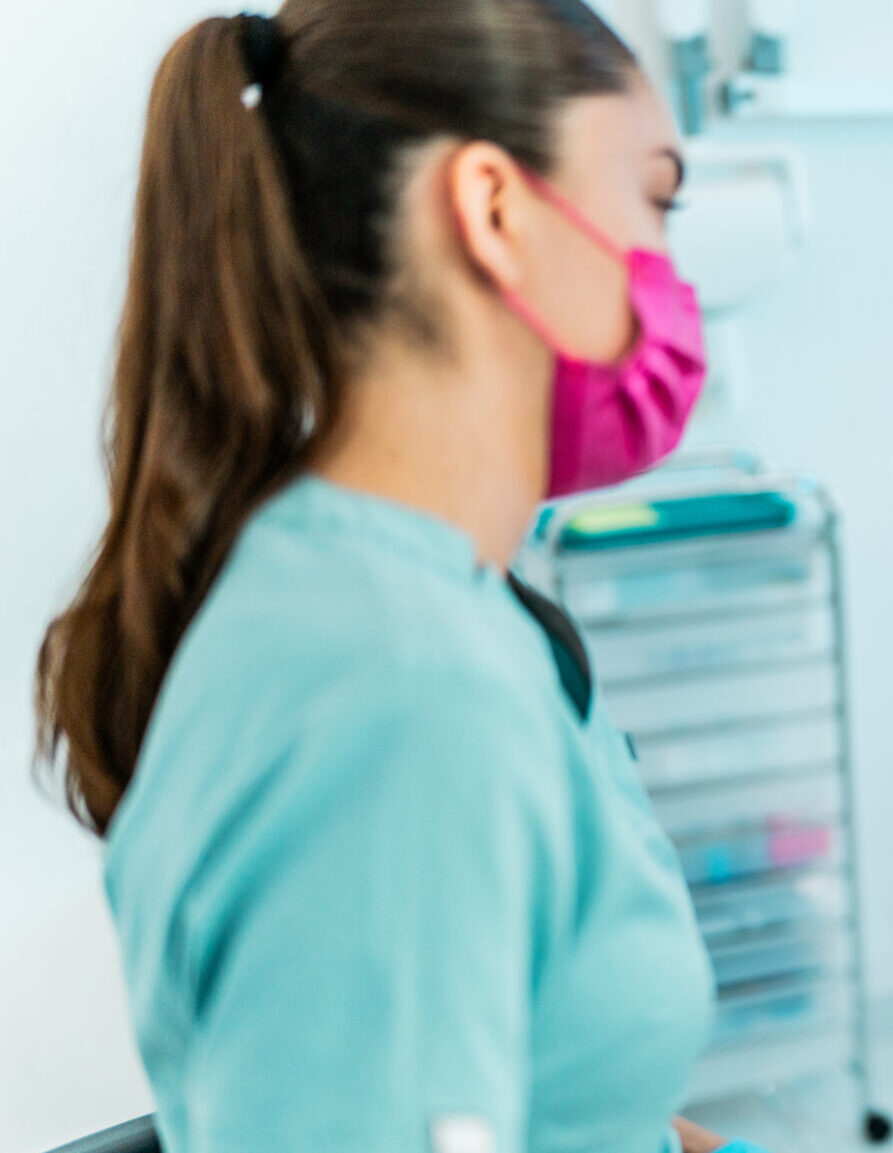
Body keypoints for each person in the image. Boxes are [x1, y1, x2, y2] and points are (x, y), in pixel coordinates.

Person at [34, 3, 759, 1151]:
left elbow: (551, 1085)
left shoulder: (464, 614)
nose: (666, 275)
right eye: (652, 198)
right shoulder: (397, 684)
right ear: (494, 211)